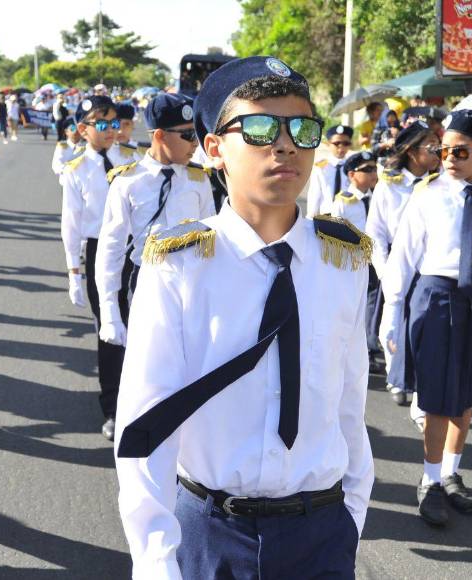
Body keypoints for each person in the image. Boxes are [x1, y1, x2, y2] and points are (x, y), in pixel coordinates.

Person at [115, 56, 373, 579]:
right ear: (214, 151)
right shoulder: (181, 264)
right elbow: (146, 424)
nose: (284, 144)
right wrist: (156, 562)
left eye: (301, 128)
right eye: (257, 127)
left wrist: (350, 516)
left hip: (320, 532)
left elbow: (349, 404)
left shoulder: (343, 258)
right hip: (211, 532)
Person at [379, 110, 472, 527]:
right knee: (435, 398)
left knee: (465, 397)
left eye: (460, 150)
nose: (447, 156)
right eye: (443, 149)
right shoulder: (428, 193)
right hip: (434, 296)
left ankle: (452, 473)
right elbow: (403, 256)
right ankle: (429, 480)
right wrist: (391, 313)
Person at [95, 93, 215, 385]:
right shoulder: (128, 181)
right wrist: (109, 309)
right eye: (187, 135)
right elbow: (110, 248)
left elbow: (212, 239)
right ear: (160, 135)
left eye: (196, 135)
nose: (195, 144)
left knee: (190, 370)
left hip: (193, 283)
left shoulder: (198, 180)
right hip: (148, 282)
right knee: (147, 370)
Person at [61, 95, 134, 440]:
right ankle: (113, 407)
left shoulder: (135, 161)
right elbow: (71, 226)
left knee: (141, 327)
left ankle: (141, 399)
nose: (109, 130)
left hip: (135, 252)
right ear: (83, 129)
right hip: (98, 251)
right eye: (101, 124)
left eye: (114, 123)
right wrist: (74, 272)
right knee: (109, 330)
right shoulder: (75, 170)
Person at [366, 121, 441, 409]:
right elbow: (376, 232)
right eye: (430, 147)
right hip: (397, 265)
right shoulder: (390, 184)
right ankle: (395, 376)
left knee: (425, 329)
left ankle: (420, 388)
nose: (437, 152)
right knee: (393, 325)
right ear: (411, 151)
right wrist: (385, 270)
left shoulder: (441, 183)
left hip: (428, 268)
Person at [331, 151, 383, 373]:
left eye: (374, 168)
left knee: (375, 306)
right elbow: (334, 235)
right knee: (356, 308)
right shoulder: (343, 201)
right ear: (352, 174)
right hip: (354, 263)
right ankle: (356, 351)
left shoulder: (378, 197)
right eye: (367, 170)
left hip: (377, 261)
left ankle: (371, 346)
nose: (373, 173)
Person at [306, 124, 353, 217]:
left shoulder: (353, 167)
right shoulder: (320, 167)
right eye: (336, 143)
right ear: (328, 144)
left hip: (349, 218)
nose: (341, 147)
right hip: (327, 217)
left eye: (346, 143)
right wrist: (310, 218)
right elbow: (315, 195)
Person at [51, 117, 84, 184]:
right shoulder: (62, 147)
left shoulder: (86, 146)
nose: (76, 132)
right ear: (66, 132)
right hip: (67, 183)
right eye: (72, 129)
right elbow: (56, 166)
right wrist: (71, 169)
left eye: (78, 129)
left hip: (83, 183)